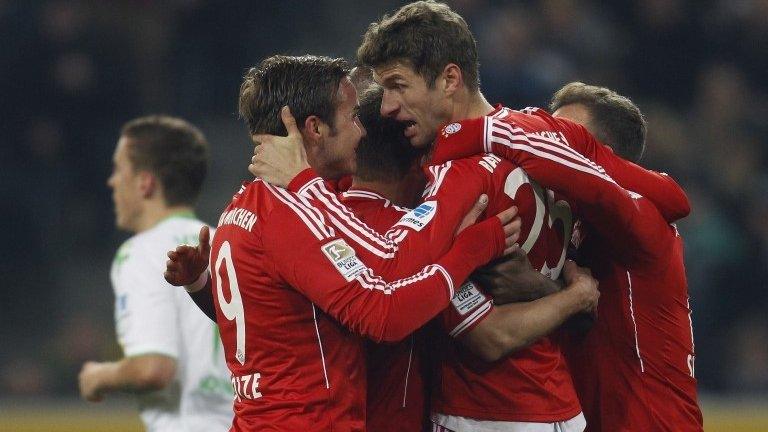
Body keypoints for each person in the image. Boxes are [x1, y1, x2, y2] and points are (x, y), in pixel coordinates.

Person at [164, 54, 521, 432]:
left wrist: (200, 285)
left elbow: (270, 325)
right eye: (352, 117)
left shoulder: (241, 207)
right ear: (315, 129)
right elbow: (385, 311)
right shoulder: (293, 211)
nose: (361, 132)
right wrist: (473, 247)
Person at [427, 81, 704, 432]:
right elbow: (587, 310)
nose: (548, 144)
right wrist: (544, 288)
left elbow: (669, 200)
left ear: (599, 155)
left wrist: (459, 134)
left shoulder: (646, 225)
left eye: (562, 137)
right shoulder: (570, 229)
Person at [344, 84, 601, 431]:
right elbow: (490, 336)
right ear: (424, 164)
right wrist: (575, 297)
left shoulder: (320, 217)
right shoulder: (426, 245)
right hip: (477, 416)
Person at [77, 116, 233, 431]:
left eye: (119, 169)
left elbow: (153, 369)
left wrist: (97, 377)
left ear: (145, 182)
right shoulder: (228, 243)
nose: (112, 181)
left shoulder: (141, 252)